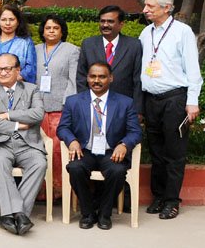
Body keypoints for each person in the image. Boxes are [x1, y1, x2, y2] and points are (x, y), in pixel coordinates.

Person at [139, 0, 203, 219]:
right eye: (145, 5)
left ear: (167, 8)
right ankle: (158, 196)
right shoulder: (146, 33)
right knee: (155, 151)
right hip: (151, 100)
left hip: (175, 99)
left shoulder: (182, 32)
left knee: (174, 152)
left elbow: (193, 69)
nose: (145, 10)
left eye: (150, 6)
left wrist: (192, 102)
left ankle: (172, 200)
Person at [57, 62, 142, 230]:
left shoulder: (125, 103)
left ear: (110, 78)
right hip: (85, 150)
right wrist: (72, 141)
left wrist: (124, 144)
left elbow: (136, 132)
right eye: (93, 76)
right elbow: (63, 128)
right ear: (87, 78)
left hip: (111, 152)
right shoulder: (73, 101)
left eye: (102, 76)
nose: (97, 80)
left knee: (117, 171)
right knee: (75, 168)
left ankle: (104, 213)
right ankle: (88, 213)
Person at [0, 53, 46, 235]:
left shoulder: (32, 89)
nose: (2, 73)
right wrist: (17, 124)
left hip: (28, 144)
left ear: (18, 70)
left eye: (7, 68)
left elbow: (38, 115)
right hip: (0, 144)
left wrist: (8, 115)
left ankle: (12, 214)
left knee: (39, 163)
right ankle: (21, 215)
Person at [34, 14, 79, 198]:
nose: (51, 31)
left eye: (56, 28)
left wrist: (67, 105)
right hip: (36, 107)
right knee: (38, 149)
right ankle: (39, 191)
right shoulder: (35, 49)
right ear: (42, 31)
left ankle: (60, 191)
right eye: (48, 28)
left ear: (62, 31)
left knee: (58, 150)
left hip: (59, 108)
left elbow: (73, 80)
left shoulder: (72, 50)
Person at [76, 5, 143, 111]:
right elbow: (81, 76)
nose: (105, 25)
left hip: (124, 106)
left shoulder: (134, 45)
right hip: (94, 104)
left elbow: (138, 79)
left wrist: (138, 110)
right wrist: (85, 103)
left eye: (110, 21)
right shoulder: (88, 44)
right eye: (102, 21)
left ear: (121, 24)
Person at [0, 4, 37, 85]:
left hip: (19, 87)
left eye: (11, 19)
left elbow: (30, 67)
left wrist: (12, 81)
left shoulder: (26, 42)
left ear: (18, 21)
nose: (7, 23)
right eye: (4, 19)